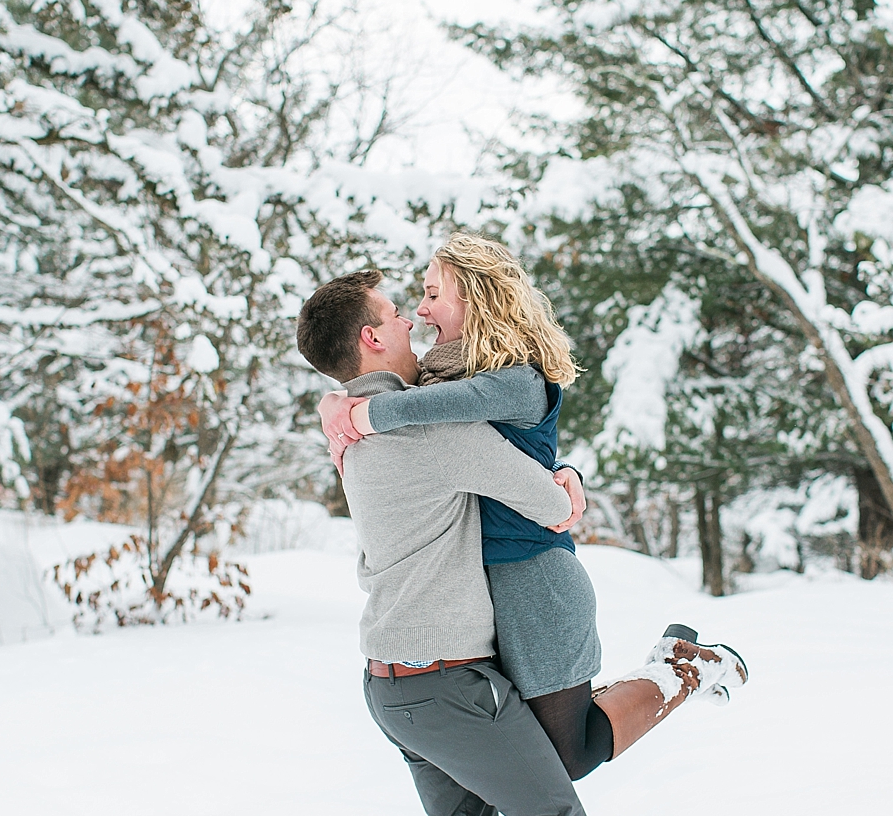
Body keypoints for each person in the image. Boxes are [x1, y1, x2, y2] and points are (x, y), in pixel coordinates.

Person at [319, 233, 748, 781]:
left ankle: (682, 669)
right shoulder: (444, 373)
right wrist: (334, 396)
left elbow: (432, 409)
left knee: (565, 756)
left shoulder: (518, 379)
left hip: (534, 578)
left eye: (431, 294)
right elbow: (391, 385)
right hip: (482, 593)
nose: (421, 310)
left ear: (474, 297)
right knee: (536, 743)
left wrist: (356, 415)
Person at [294, 268, 593, 816]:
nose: (409, 323)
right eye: (395, 314)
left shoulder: (349, 430)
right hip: (446, 683)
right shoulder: (432, 431)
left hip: (391, 687)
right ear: (371, 337)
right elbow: (548, 504)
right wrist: (570, 477)